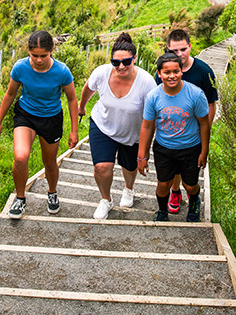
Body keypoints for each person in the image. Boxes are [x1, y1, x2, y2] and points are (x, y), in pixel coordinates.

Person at [0, 30, 79, 219]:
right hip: (26, 115)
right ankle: (20, 198)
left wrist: (74, 131)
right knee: (21, 157)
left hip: (51, 118)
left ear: (51, 51)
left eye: (43, 56)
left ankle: (52, 192)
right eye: (34, 56)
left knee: (49, 161)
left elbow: (72, 99)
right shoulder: (20, 67)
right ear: (28, 52)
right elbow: (10, 94)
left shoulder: (62, 71)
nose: (39, 60)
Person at [78, 33, 157, 219]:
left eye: (126, 62)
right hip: (102, 125)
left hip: (133, 132)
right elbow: (88, 88)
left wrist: (145, 149)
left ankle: (129, 189)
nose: (121, 67)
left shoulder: (146, 83)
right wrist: (81, 107)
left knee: (130, 167)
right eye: (116, 63)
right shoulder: (102, 73)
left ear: (134, 58)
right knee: (102, 167)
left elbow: (150, 119)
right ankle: (106, 199)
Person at [138, 51, 210, 222]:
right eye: (167, 72)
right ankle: (162, 210)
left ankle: (194, 201)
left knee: (190, 185)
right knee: (163, 184)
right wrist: (142, 155)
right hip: (164, 148)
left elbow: (204, 123)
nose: (172, 76)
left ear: (181, 71)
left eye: (176, 71)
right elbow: (147, 125)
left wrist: (204, 151)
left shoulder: (195, 94)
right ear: (159, 74)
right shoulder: (153, 96)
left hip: (190, 148)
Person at [154, 29, 217, 214]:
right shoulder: (163, 71)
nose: (179, 54)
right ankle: (175, 192)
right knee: (172, 169)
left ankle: (191, 196)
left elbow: (211, 103)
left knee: (189, 173)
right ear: (167, 50)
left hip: (194, 133)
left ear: (190, 46)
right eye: (174, 51)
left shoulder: (204, 71)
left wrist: (206, 129)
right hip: (170, 131)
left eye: (183, 49)